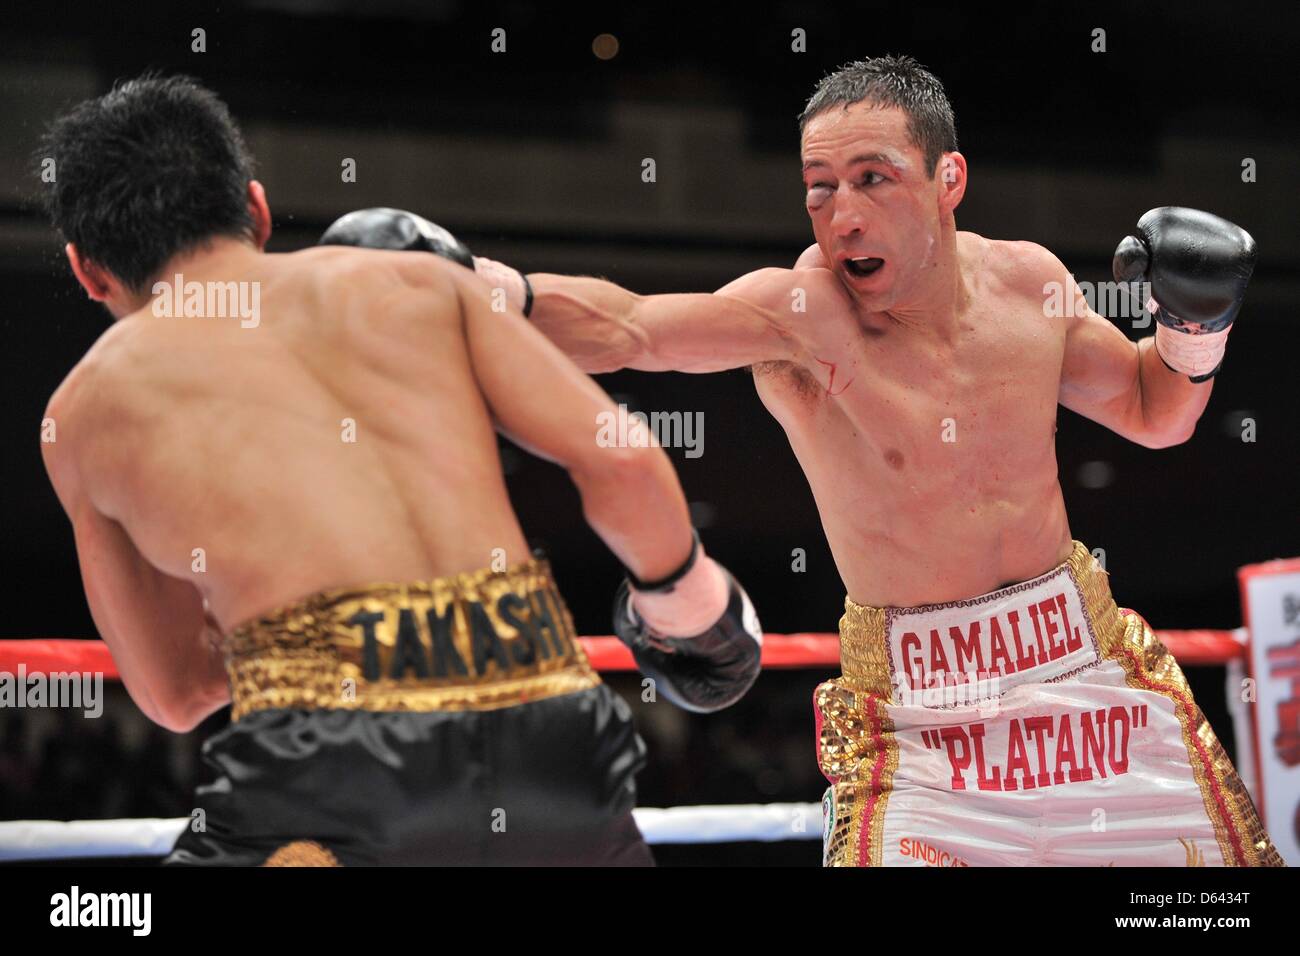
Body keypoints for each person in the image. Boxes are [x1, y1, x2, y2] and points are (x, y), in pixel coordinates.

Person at [470, 55, 1282, 866]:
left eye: (873, 179)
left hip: (1090, 690)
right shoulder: (805, 315)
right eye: (819, 186)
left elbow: (1156, 412)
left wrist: (1193, 330)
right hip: (924, 728)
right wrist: (484, 290)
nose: (841, 217)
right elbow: (632, 328)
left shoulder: (1028, 284)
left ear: (948, 179)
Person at [37, 75, 760, 866]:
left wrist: (286, 617)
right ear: (256, 207)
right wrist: (688, 604)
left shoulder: (83, 412)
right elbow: (620, 457)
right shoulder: (419, 284)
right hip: (549, 723)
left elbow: (175, 693)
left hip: (332, 758)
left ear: (88, 272)